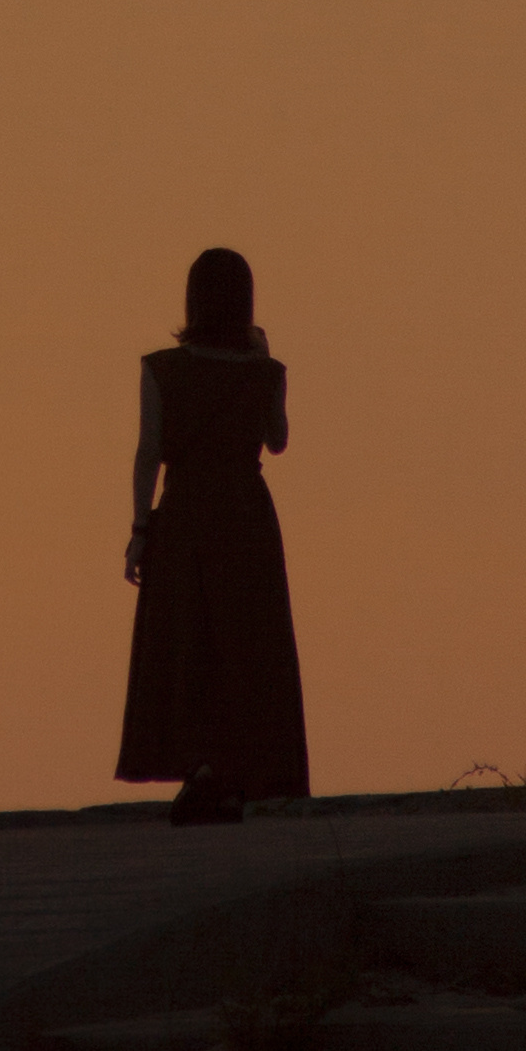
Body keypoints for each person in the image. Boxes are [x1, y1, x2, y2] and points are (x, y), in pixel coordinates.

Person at [116, 242, 309, 823]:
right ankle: (237, 767)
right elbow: (277, 440)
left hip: (185, 515)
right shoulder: (266, 371)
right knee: (248, 647)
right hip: (247, 515)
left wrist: (139, 527)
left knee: (187, 642)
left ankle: (201, 764)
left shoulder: (161, 368)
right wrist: (265, 361)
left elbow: (149, 451)